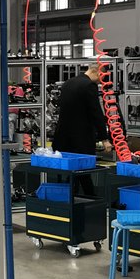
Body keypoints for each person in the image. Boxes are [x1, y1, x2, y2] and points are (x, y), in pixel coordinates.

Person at [52, 63, 108, 196]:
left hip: (63, 137)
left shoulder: (68, 83)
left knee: (72, 172)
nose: (101, 82)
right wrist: (104, 138)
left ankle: (71, 199)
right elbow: (96, 112)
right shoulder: (89, 85)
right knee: (84, 171)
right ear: (97, 72)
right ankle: (92, 199)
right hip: (81, 138)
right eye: (102, 77)